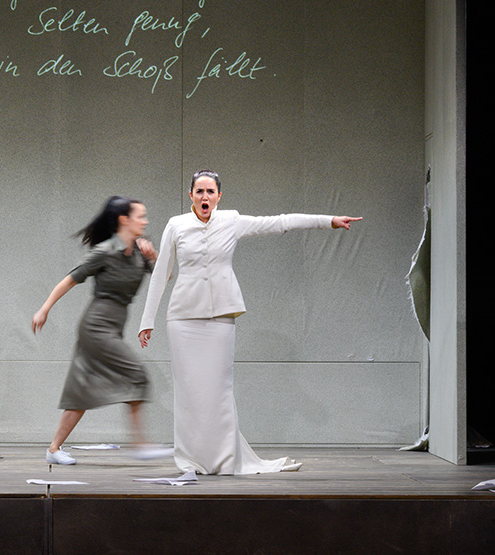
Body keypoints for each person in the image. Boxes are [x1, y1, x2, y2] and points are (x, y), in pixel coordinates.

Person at [138, 170, 361, 475]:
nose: (205, 197)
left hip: (221, 317)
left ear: (219, 196)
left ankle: (225, 458)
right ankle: (191, 458)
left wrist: (328, 220)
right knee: (189, 392)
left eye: (210, 192)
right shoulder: (176, 225)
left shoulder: (231, 220)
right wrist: (146, 320)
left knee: (218, 390)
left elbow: (280, 222)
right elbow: (162, 272)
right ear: (190, 195)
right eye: (199, 191)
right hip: (182, 318)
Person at [32, 196, 165, 465]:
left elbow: (165, 275)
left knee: (80, 391)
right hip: (96, 326)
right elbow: (70, 280)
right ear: (124, 220)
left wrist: (155, 255)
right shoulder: (105, 251)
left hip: (113, 326)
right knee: (137, 375)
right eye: (140, 216)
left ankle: (54, 449)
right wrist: (44, 309)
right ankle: (140, 444)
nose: (145, 221)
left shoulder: (140, 252)